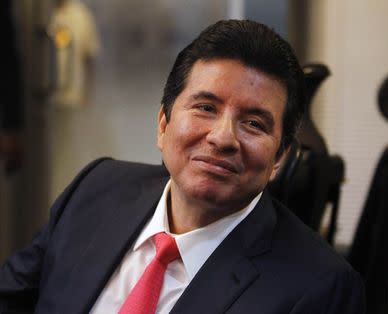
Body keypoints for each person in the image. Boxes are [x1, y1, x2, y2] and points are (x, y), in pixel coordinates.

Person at [0, 20, 365, 313]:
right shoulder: (94, 190)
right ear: (163, 124)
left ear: (280, 158)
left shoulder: (319, 289)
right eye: (205, 107)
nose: (223, 138)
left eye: (254, 124)